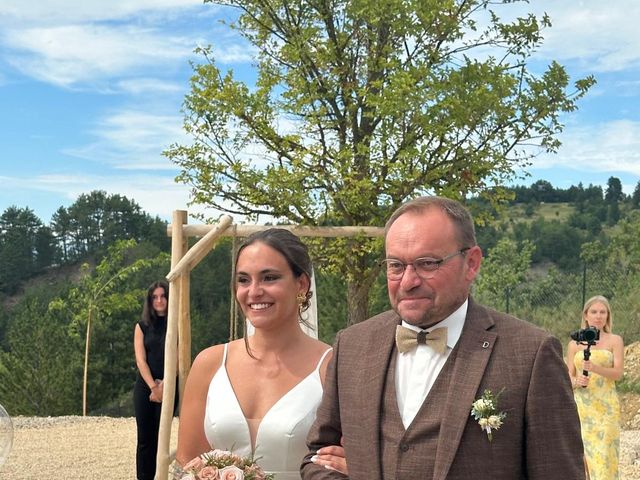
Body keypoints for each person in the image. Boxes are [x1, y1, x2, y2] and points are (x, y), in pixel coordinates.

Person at [301, 195, 585, 479]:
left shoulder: (530, 354)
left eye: (427, 264)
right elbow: (316, 457)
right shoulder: (353, 345)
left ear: (471, 263)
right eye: (396, 265)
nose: (408, 281)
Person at [175, 228, 347, 478]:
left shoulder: (332, 367)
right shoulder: (209, 363)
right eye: (244, 280)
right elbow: (188, 459)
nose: (254, 292)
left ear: (301, 284)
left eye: (269, 278)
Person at [566, 295, 624, 479]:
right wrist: (576, 382)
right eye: (594, 312)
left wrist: (595, 368)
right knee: (582, 456)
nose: (598, 316)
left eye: (602, 312)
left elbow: (618, 373)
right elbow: (568, 374)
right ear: (586, 315)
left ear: (608, 316)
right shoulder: (574, 344)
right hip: (582, 407)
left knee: (605, 455)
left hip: (606, 406)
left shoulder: (615, 340)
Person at [134, 280, 175, 480]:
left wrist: (165, 385)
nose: (159, 301)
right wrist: (153, 387)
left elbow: (179, 357)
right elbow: (141, 360)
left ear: (169, 298)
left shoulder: (177, 324)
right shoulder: (142, 326)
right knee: (144, 439)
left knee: (161, 437)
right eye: (155, 297)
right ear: (150, 301)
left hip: (170, 384)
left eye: (163, 296)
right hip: (145, 387)